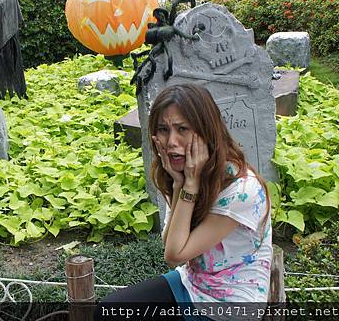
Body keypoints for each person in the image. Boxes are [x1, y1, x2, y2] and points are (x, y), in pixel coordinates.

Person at [95, 83, 272, 320]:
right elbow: (170, 242)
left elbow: (175, 255)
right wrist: (179, 186)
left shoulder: (241, 190)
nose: (171, 141)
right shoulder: (187, 173)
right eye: (163, 129)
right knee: (109, 311)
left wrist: (189, 186)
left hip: (229, 304)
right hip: (192, 284)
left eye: (182, 129)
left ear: (206, 132)